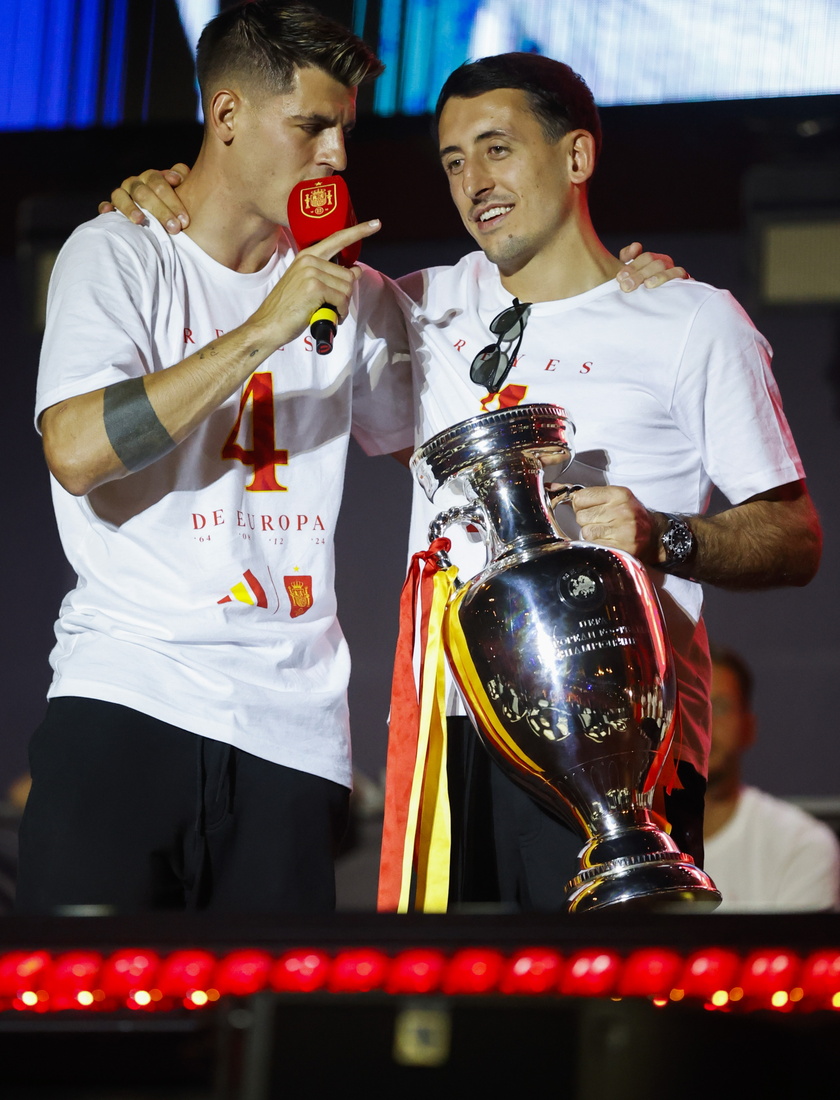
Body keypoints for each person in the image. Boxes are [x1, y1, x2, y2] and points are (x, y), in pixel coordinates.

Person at [99, 52, 820, 914]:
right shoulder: (416, 310)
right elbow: (247, 257)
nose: (474, 181)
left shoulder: (690, 321)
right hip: (452, 749)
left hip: (620, 747)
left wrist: (660, 534)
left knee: (608, 1029)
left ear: (577, 158)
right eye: (451, 161)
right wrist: (166, 188)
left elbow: (795, 536)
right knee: (461, 1031)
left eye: (497, 148)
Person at [16, 0, 415, 915]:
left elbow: (442, 433)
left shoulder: (344, 285)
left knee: (266, 1043)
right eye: (312, 126)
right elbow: (74, 451)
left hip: (293, 731)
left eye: (344, 131)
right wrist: (266, 329)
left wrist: (626, 284)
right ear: (227, 115)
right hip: (127, 692)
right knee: (91, 1035)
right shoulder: (117, 253)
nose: (337, 157)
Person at [703, 645, 840, 912]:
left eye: (720, 708)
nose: (703, 723)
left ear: (748, 727)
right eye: (691, 706)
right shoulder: (624, 847)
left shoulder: (801, 846)